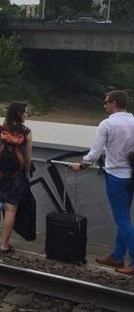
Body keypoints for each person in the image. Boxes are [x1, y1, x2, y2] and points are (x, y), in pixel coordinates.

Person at [69, 90, 134, 275]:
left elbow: (95, 152)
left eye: (106, 102)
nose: (104, 105)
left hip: (116, 177)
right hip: (132, 176)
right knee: (125, 218)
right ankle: (117, 256)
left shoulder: (107, 124)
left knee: (122, 219)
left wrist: (81, 165)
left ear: (113, 103)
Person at [0, 101, 32, 253]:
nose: (27, 115)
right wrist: (27, 172)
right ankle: (4, 246)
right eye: (25, 112)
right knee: (10, 210)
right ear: (19, 114)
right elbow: (28, 157)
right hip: (15, 177)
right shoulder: (26, 132)